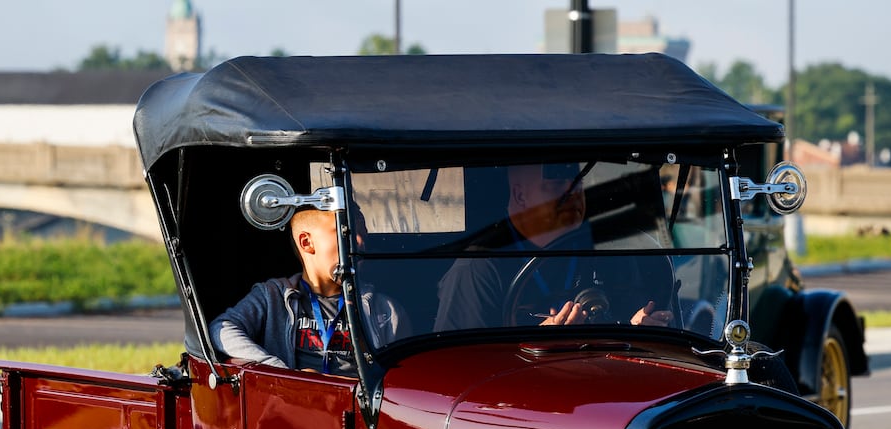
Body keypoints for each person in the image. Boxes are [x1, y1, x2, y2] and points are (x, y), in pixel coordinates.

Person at [434, 162, 673, 331]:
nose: (574, 193)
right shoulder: (479, 268)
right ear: (520, 196)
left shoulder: (607, 252)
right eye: (557, 183)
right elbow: (460, 370)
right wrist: (535, 344)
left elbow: (629, 317)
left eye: (579, 183)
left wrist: (640, 327)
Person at [210, 208, 403, 375]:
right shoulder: (273, 295)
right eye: (347, 233)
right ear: (306, 242)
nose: (360, 242)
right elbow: (221, 329)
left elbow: (399, 377)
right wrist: (282, 373)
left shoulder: (384, 309)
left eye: (364, 233)